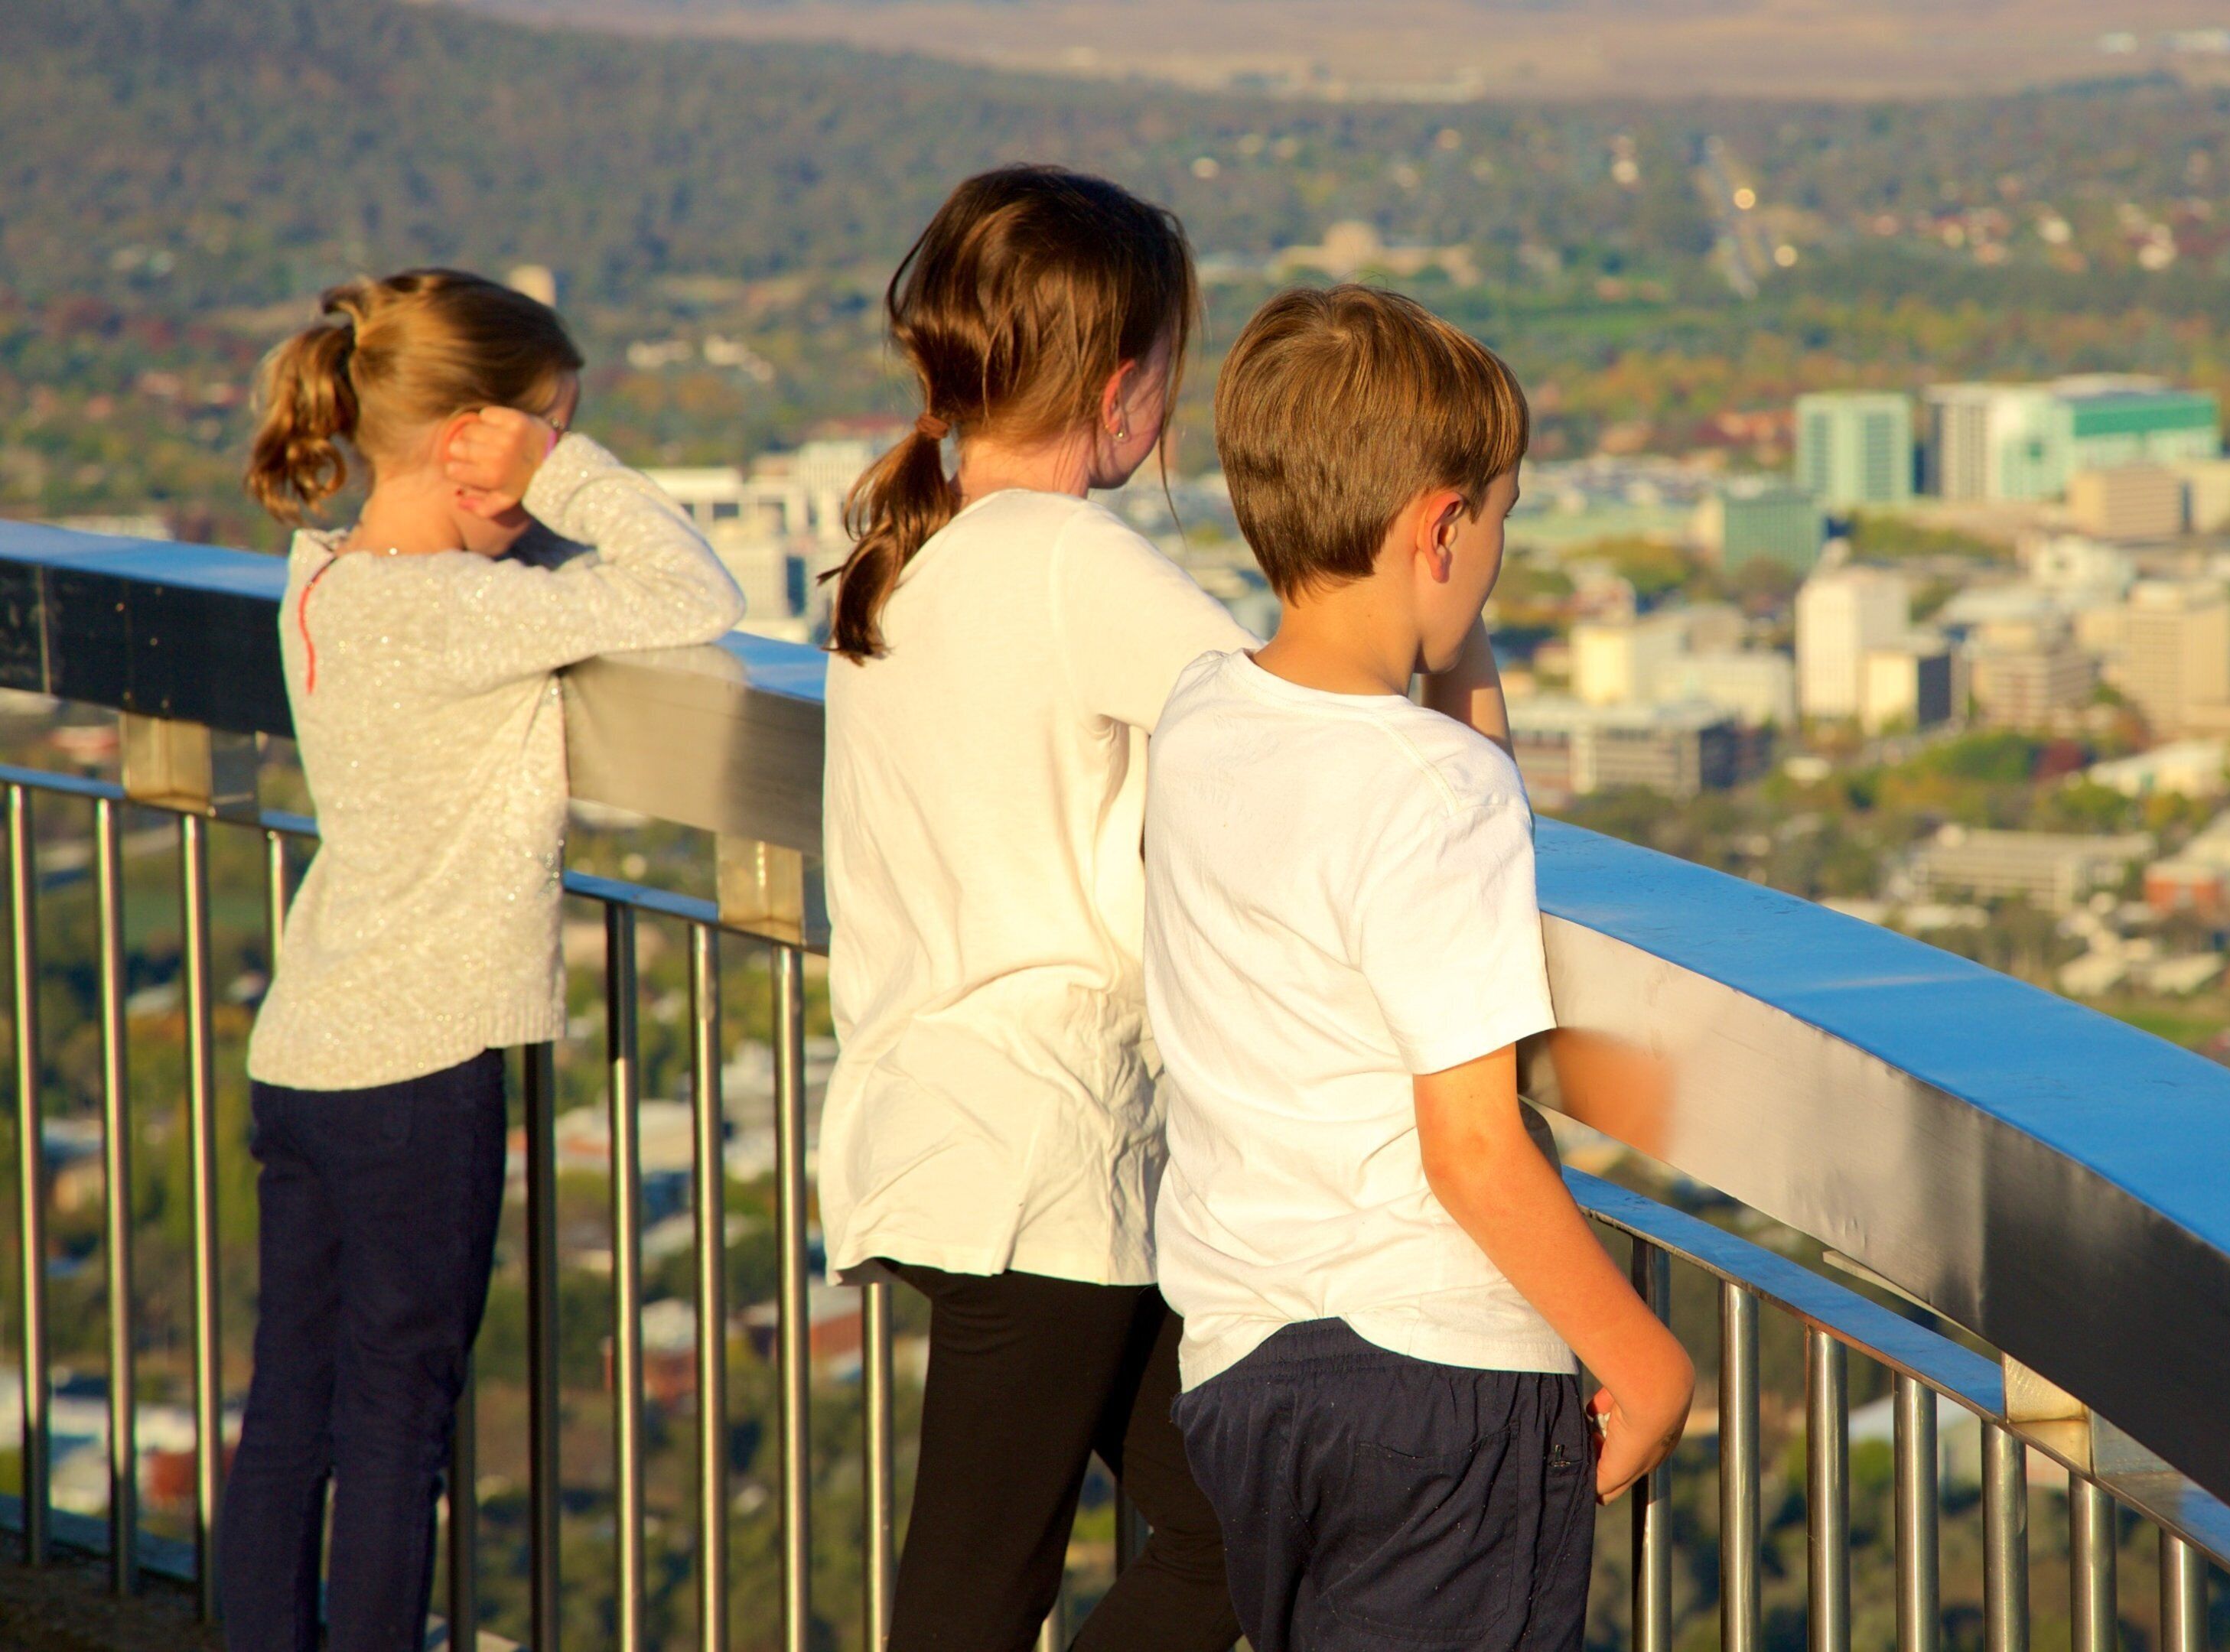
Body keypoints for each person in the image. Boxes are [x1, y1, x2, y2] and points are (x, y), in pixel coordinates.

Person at [1144, 285, 1695, 1652]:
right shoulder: (1431, 787)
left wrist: (1444, 621)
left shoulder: (1206, 712)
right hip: (1435, 1385)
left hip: (1242, 1365)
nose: (1499, 554)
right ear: (1441, 525)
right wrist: (1647, 1363)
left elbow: (1447, 793)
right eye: (1495, 521)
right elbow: (1471, 1148)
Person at [230, 268, 743, 1650]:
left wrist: (523, 467)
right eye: (535, 432)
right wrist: (567, 469)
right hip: (422, 1070)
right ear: (470, 434)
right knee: (400, 1426)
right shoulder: (461, 614)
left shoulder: (328, 585)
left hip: (307, 1053)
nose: (539, 472)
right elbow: (693, 590)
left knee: (293, 1409)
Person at [814, 167, 1248, 1651]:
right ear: (1123, 390)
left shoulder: (913, 549)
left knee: (1234, 1525)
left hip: (966, 1130)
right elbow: (1292, 742)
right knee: (980, 1599)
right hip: (1038, 1153)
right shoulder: (1068, 559)